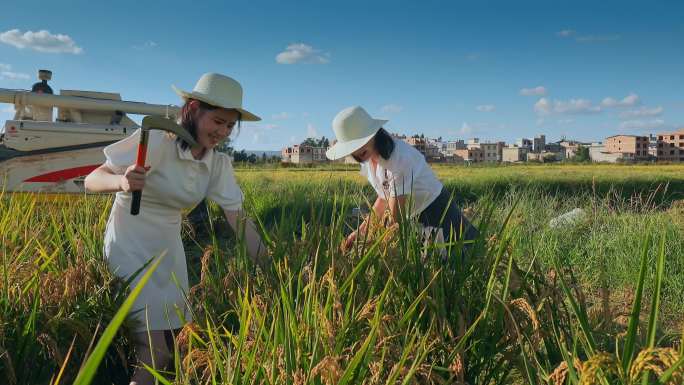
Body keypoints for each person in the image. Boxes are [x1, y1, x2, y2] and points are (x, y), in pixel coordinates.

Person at [84, 73, 268, 385]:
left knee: (176, 343)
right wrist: (122, 181)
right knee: (156, 354)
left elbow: (239, 219)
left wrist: (268, 266)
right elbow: (92, 179)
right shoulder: (156, 141)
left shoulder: (216, 164)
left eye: (230, 125)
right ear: (194, 108)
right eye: (218, 121)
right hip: (130, 246)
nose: (223, 132)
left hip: (169, 252)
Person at [326, 106, 478, 255]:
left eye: (360, 142)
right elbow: (383, 199)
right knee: (430, 264)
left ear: (374, 134)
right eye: (352, 147)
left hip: (437, 209)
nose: (356, 151)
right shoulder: (370, 160)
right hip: (414, 216)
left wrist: (372, 249)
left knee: (464, 255)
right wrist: (359, 233)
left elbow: (393, 219)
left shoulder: (400, 157)